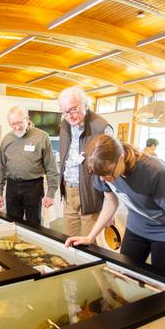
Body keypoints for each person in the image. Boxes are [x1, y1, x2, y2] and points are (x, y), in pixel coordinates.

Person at [65, 135, 165, 284]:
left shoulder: (154, 171)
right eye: (100, 175)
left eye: (108, 174)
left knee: (163, 282)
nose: (104, 179)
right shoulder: (100, 170)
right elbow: (111, 202)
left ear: (121, 158)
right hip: (137, 227)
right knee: (125, 273)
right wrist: (90, 237)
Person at [58, 86, 113, 237]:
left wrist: (110, 208)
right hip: (69, 192)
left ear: (86, 104)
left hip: (91, 193)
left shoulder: (101, 127)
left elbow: (111, 169)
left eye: (73, 109)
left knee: (89, 243)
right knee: (70, 240)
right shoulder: (64, 125)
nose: (70, 116)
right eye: (65, 111)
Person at [0, 106, 59, 226]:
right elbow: (1, 168)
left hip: (33, 187)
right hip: (12, 187)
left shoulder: (42, 137)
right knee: (12, 223)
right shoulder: (7, 140)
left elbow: (51, 168)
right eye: (13, 124)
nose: (17, 127)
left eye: (20, 122)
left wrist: (51, 193)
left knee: (33, 224)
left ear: (27, 119)